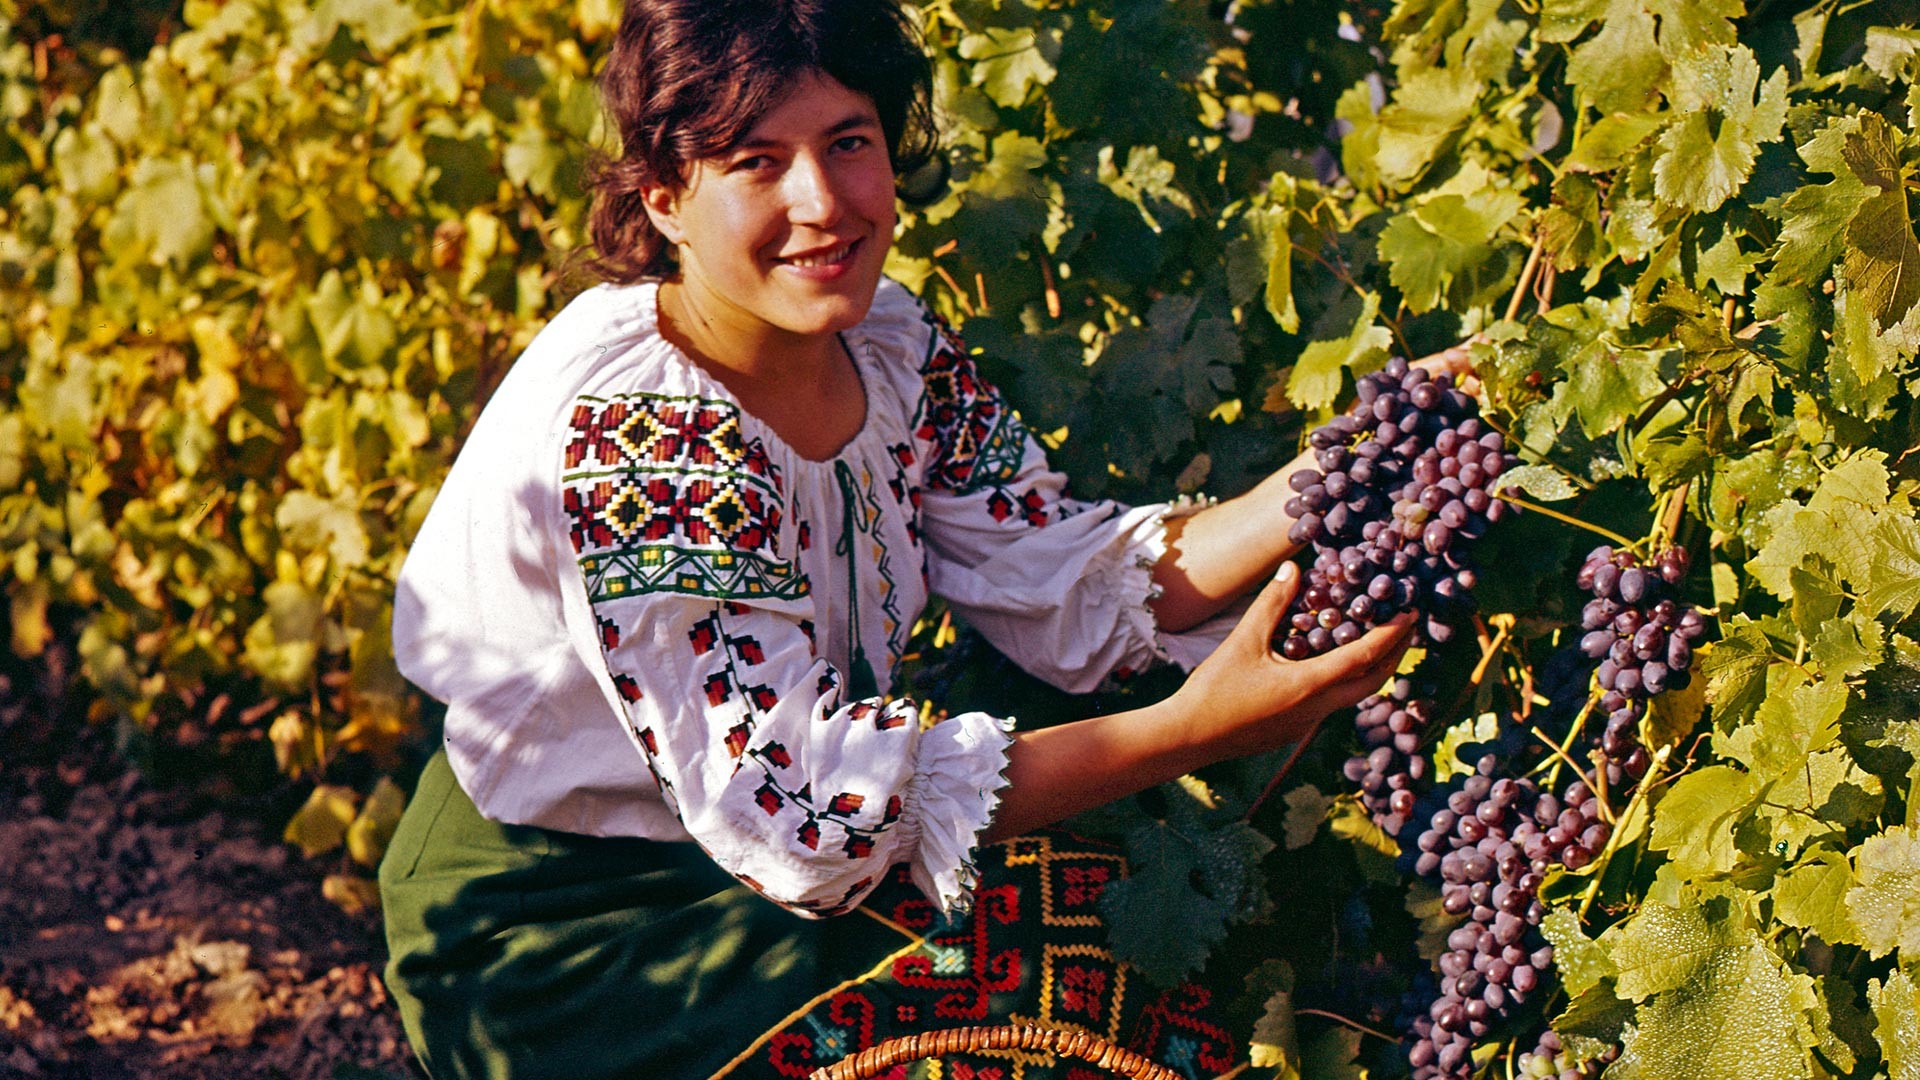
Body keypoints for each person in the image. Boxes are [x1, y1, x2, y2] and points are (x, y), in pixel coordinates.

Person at [377, 1, 1430, 1077]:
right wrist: (1191, 729)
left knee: (1102, 921)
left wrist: (1338, 467)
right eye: (755, 160)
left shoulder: (888, 345)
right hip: (564, 930)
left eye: (849, 143)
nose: (821, 203)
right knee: (1043, 1001)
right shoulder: (641, 437)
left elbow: (1053, 567)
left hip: (754, 851)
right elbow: (794, 812)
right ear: (665, 197)